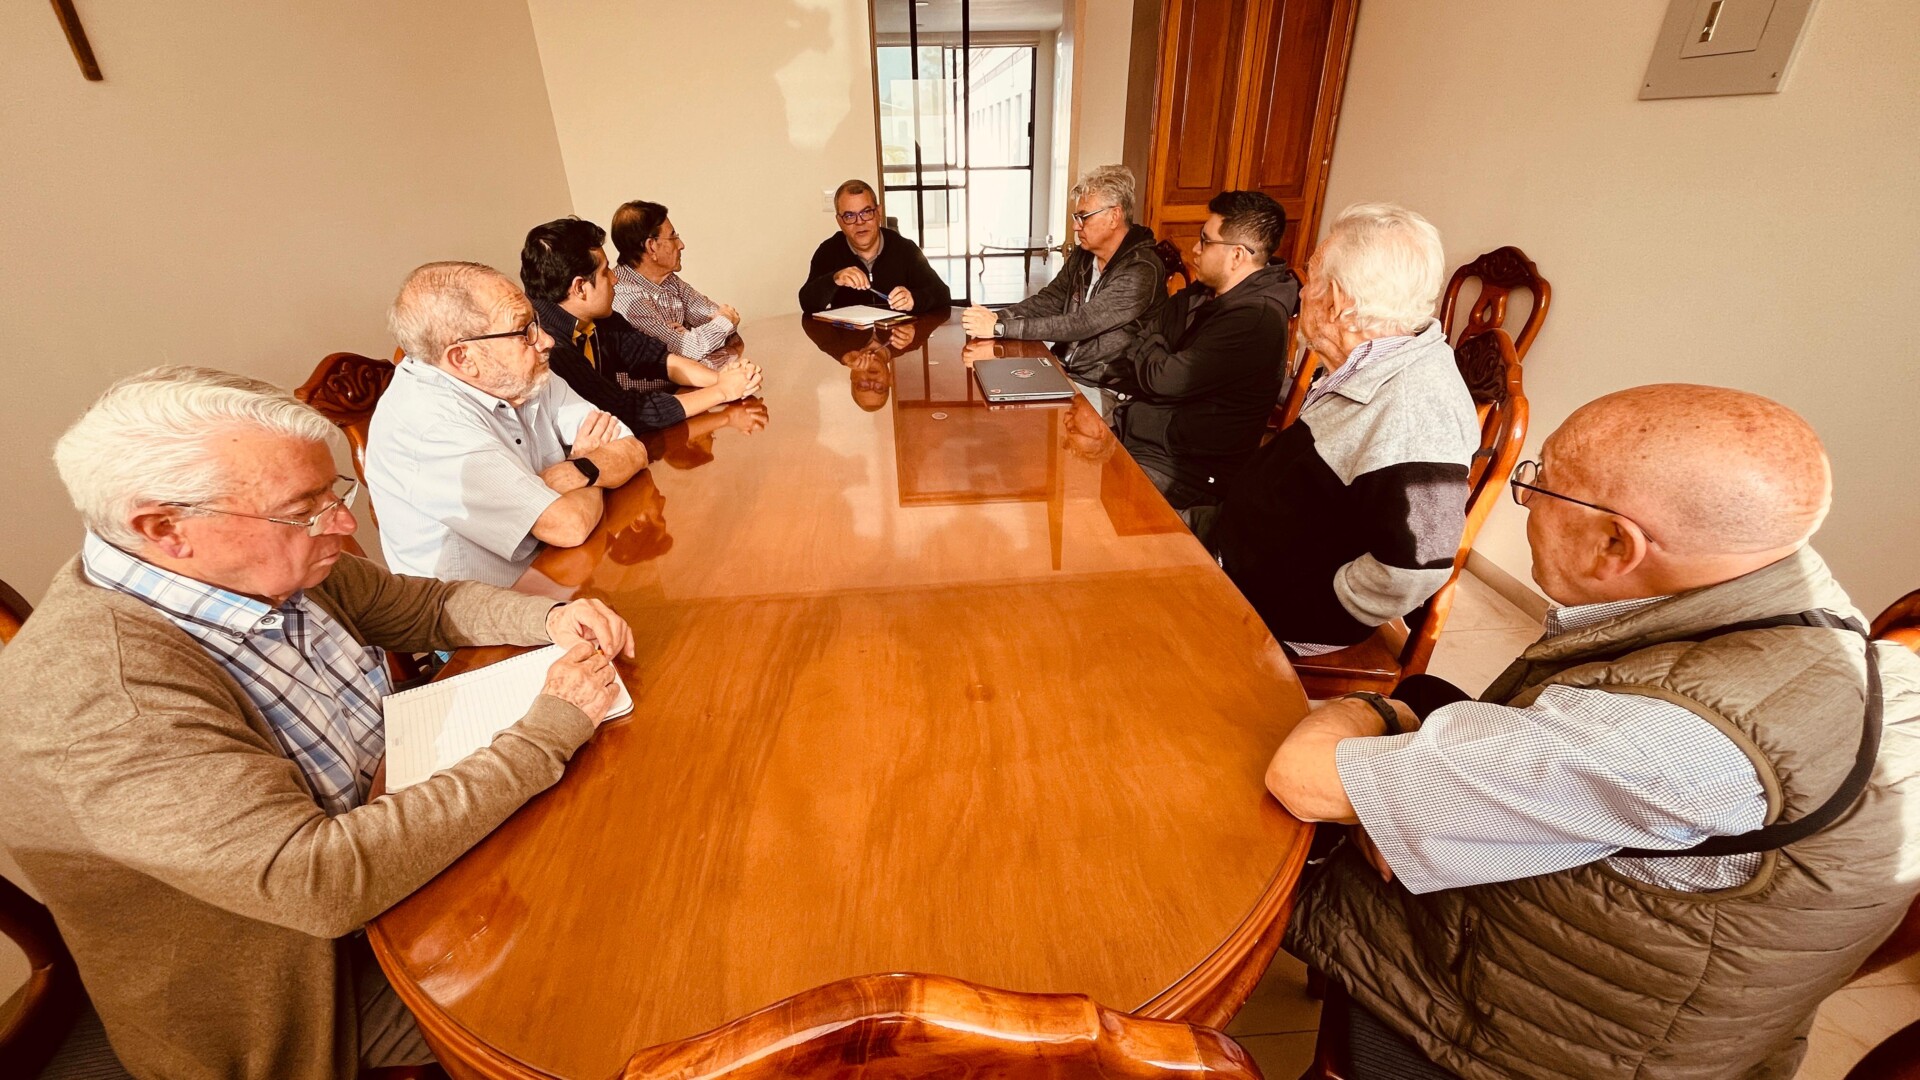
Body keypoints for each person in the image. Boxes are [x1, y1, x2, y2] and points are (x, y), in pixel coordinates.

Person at [0, 366, 639, 1080]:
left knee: (637, 831)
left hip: (406, 838)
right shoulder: (105, 696)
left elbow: (413, 606)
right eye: (304, 509)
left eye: (332, 492)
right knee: (618, 972)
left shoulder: (248, 564)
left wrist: (550, 618)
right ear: (166, 530)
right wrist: (546, 732)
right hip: (317, 982)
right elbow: (323, 882)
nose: (343, 523)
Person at [1265, 384, 1920, 1080]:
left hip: (1534, 1035)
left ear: (1616, 543)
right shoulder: (1841, 641)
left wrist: (1375, 716)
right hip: (1679, 1003)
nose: (1525, 499)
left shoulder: (1658, 740)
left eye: (1539, 482)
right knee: (1422, 709)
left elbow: (1303, 781)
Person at [1208, 203, 1478, 655]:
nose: (1303, 292)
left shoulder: (1416, 412)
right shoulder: (1373, 362)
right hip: (1236, 553)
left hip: (1274, 610)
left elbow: (1414, 568)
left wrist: (1312, 606)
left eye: (1311, 279)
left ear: (1337, 301)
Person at [365, 261, 652, 585]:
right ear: (463, 358)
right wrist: (586, 460)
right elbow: (568, 526)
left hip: (566, 570)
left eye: (536, 322)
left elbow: (631, 448)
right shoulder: (429, 426)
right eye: (524, 331)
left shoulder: (518, 372)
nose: (546, 341)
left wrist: (577, 471)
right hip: (493, 607)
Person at [1099, 190, 1297, 525]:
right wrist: (1156, 348)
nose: (1195, 249)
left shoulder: (1255, 320)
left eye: (1206, 241)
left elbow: (1163, 378)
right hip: (1149, 435)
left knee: (1093, 518)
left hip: (1189, 471)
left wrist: (1154, 347)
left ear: (1236, 255)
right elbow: (1147, 335)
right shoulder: (1206, 292)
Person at [520, 218, 761, 433]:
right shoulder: (549, 345)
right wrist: (721, 391)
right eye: (605, 272)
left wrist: (725, 379)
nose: (615, 278)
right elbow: (624, 412)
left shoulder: (598, 317)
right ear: (580, 287)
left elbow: (657, 359)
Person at [959, 165, 1167, 413]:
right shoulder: (1084, 255)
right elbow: (1050, 300)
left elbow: (1081, 323)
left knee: (1013, 412)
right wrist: (998, 317)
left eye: (1084, 217)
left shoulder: (1141, 269)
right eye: (1076, 217)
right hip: (1065, 370)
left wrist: (1000, 328)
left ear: (1114, 216)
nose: (1076, 227)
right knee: (992, 395)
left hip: (1108, 389)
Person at [609, 200, 742, 363]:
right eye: (673, 237)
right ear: (651, 247)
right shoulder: (626, 297)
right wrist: (715, 326)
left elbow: (721, 316)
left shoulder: (668, 279)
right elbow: (691, 348)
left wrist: (689, 334)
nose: (681, 245)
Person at [799, 179, 952, 314]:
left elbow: (942, 294)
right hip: (850, 337)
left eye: (866, 212)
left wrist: (914, 299)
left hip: (897, 335)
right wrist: (834, 279)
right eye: (849, 216)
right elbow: (807, 303)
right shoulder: (828, 251)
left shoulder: (904, 249)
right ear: (839, 221)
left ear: (878, 213)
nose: (860, 222)